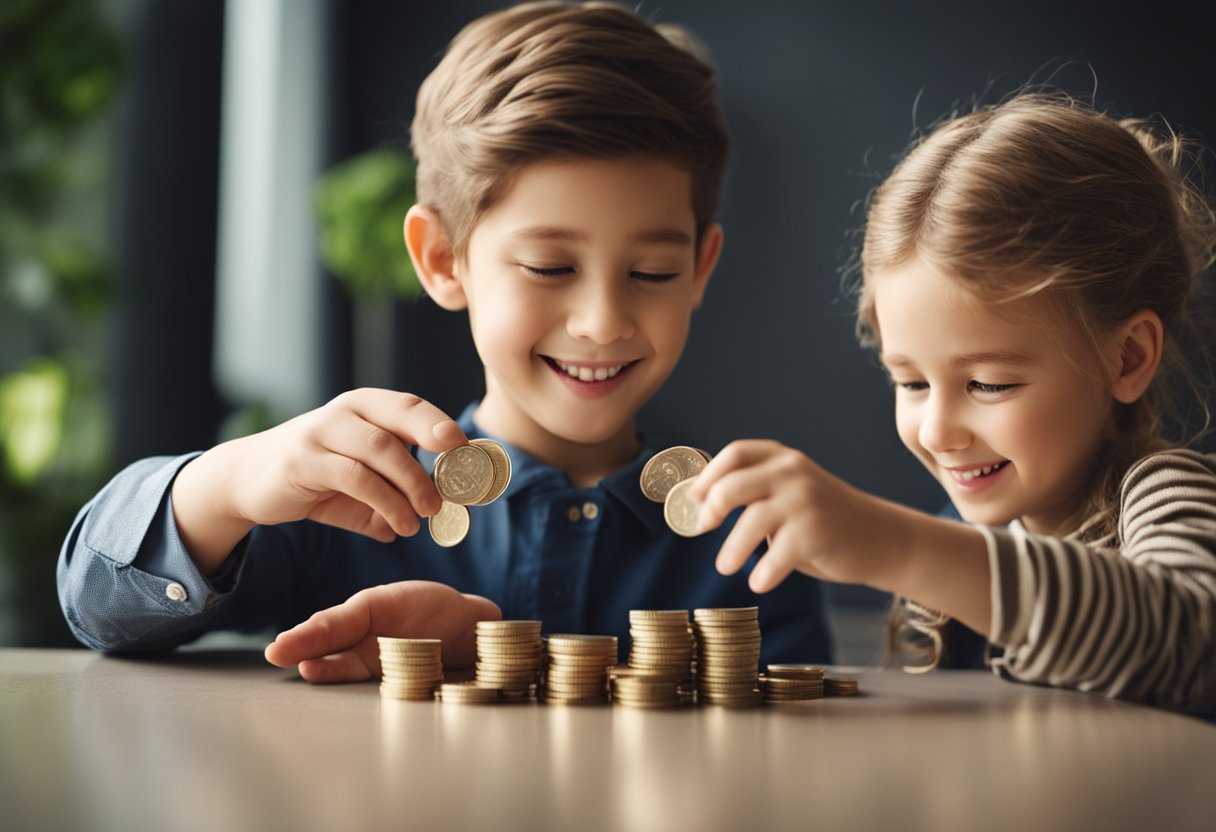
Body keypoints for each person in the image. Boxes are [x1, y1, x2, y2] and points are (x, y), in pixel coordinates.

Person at [56, 0, 833, 682]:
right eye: (549, 266)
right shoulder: (347, 499)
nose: (602, 319)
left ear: (701, 267)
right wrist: (229, 481)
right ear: (440, 259)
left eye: (653, 272)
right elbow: (95, 606)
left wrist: (509, 660)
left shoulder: (753, 539)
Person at [691, 92, 1216, 710]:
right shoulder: (950, 542)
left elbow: (1193, 643)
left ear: (1126, 358)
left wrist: (899, 547)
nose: (938, 432)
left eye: (989, 384)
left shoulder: (1167, 493)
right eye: (911, 384)